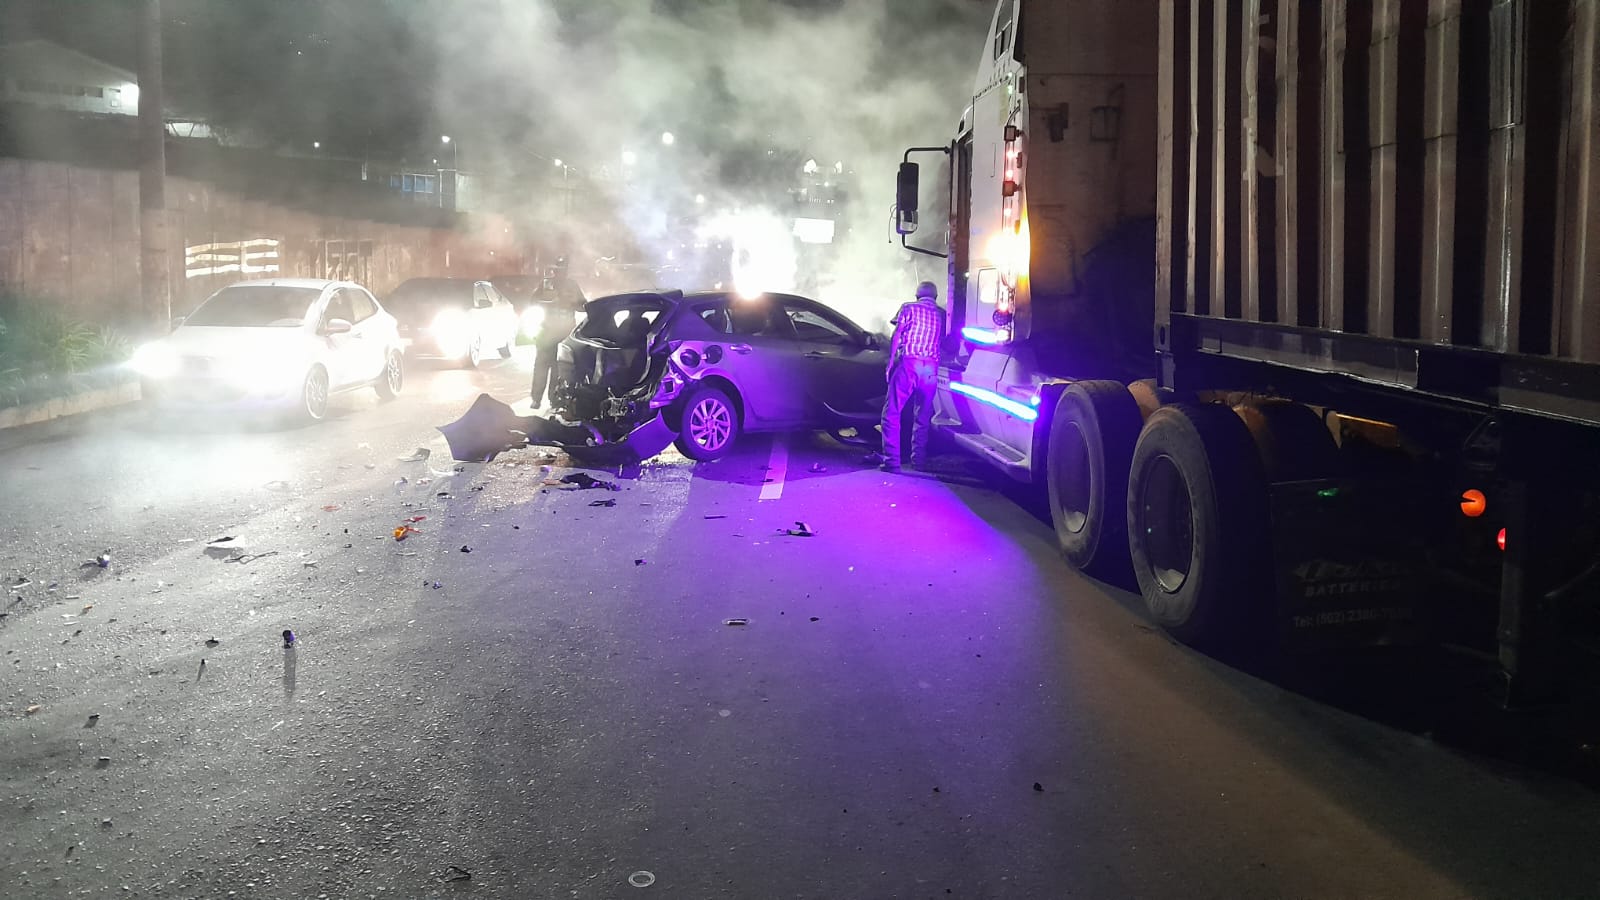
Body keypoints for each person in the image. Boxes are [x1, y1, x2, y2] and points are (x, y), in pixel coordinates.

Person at [878, 280, 945, 473]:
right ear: (935, 297)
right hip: (931, 369)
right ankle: (919, 462)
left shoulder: (908, 307)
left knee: (891, 413)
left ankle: (892, 462)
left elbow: (897, 333)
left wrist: (891, 361)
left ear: (917, 296)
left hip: (909, 364)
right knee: (922, 417)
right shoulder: (941, 313)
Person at [529, 270, 584, 410]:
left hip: (563, 334)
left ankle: (554, 399)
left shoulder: (572, 285)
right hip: (546, 333)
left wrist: (572, 303)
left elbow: (582, 306)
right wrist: (549, 302)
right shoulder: (546, 284)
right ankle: (536, 399)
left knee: (557, 369)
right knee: (541, 366)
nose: (560, 272)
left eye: (562, 267)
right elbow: (533, 301)